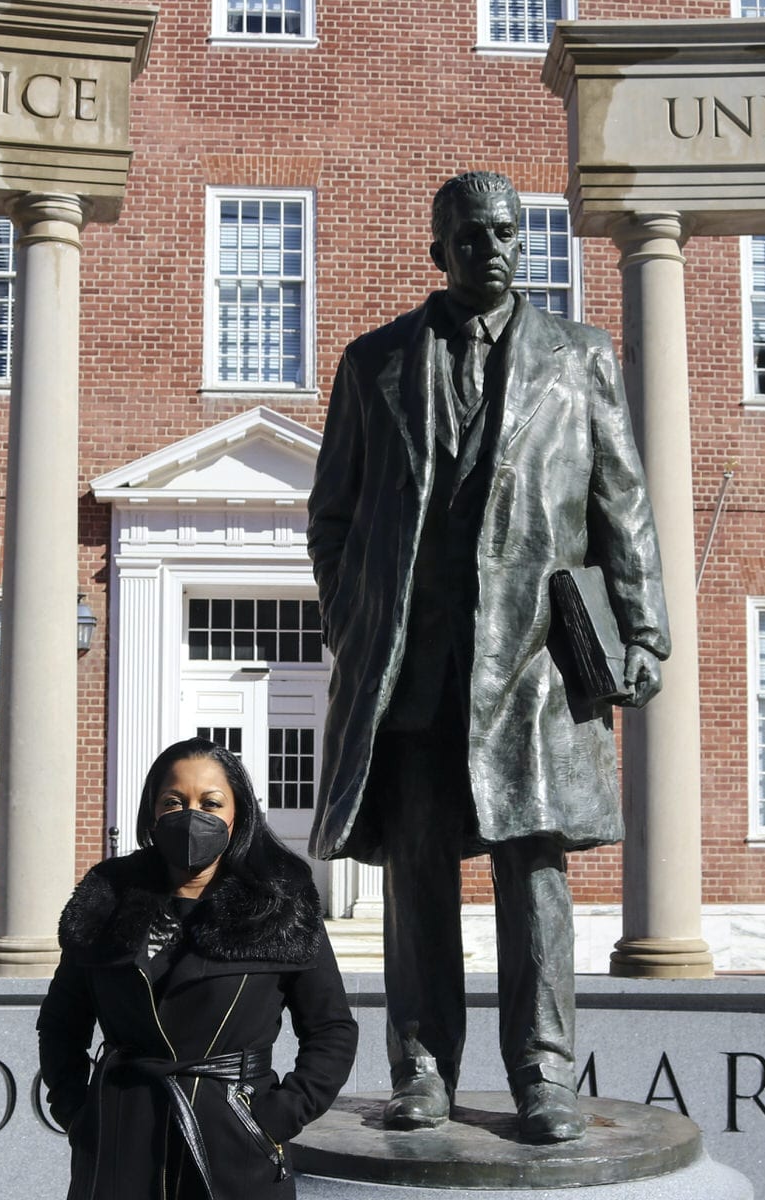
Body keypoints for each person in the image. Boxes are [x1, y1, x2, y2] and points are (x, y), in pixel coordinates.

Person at [307, 171, 670, 1143]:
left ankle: (543, 1077)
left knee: (535, 877)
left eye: (507, 231)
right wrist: (356, 615)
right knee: (417, 874)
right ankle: (421, 1069)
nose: (493, 246)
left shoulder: (579, 358)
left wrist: (642, 632)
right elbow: (332, 515)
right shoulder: (374, 363)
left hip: (536, 667)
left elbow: (619, 507)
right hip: (417, 668)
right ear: (439, 249)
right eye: (471, 235)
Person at [39, 738, 357, 1200]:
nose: (192, 815)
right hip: (120, 1143)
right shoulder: (107, 897)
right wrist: (77, 1111)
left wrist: (273, 1118)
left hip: (233, 1144)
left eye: (210, 802)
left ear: (237, 813)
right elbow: (61, 1022)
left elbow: (331, 1028)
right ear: (152, 812)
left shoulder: (279, 903)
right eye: (174, 801)